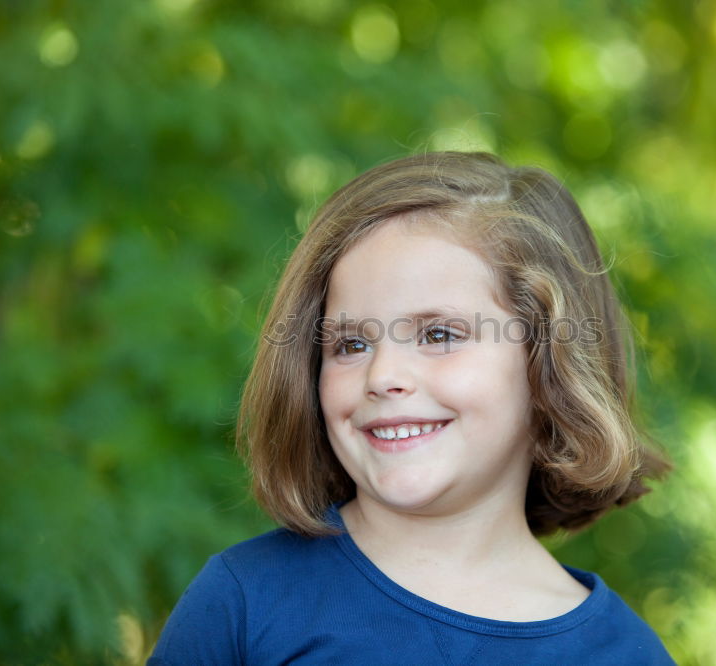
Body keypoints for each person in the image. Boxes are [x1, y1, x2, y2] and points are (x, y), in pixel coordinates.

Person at [148, 152, 674, 664]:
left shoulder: (626, 653)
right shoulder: (245, 604)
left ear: (548, 363)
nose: (383, 377)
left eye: (439, 334)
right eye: (351, 345)